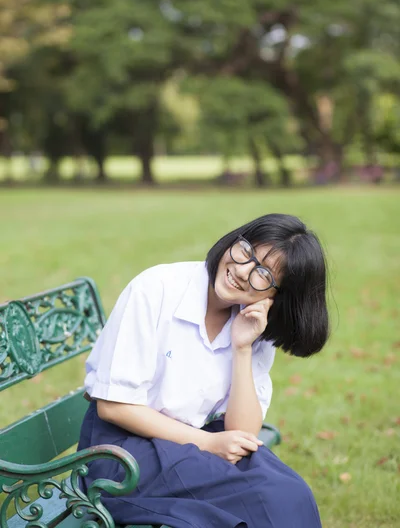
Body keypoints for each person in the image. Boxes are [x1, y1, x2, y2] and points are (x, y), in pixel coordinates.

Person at [78, 213, 329, 528]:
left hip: (191, 442)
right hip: (121, 455)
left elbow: (243, 431)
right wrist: (207, 443)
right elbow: (114, 406)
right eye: (246, 252)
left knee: (292, 494)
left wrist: (242, 348)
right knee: (254, 501)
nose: (241, 271)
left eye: (263, 273)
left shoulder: (251, 321)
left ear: (275, 296)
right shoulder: (157, 289)